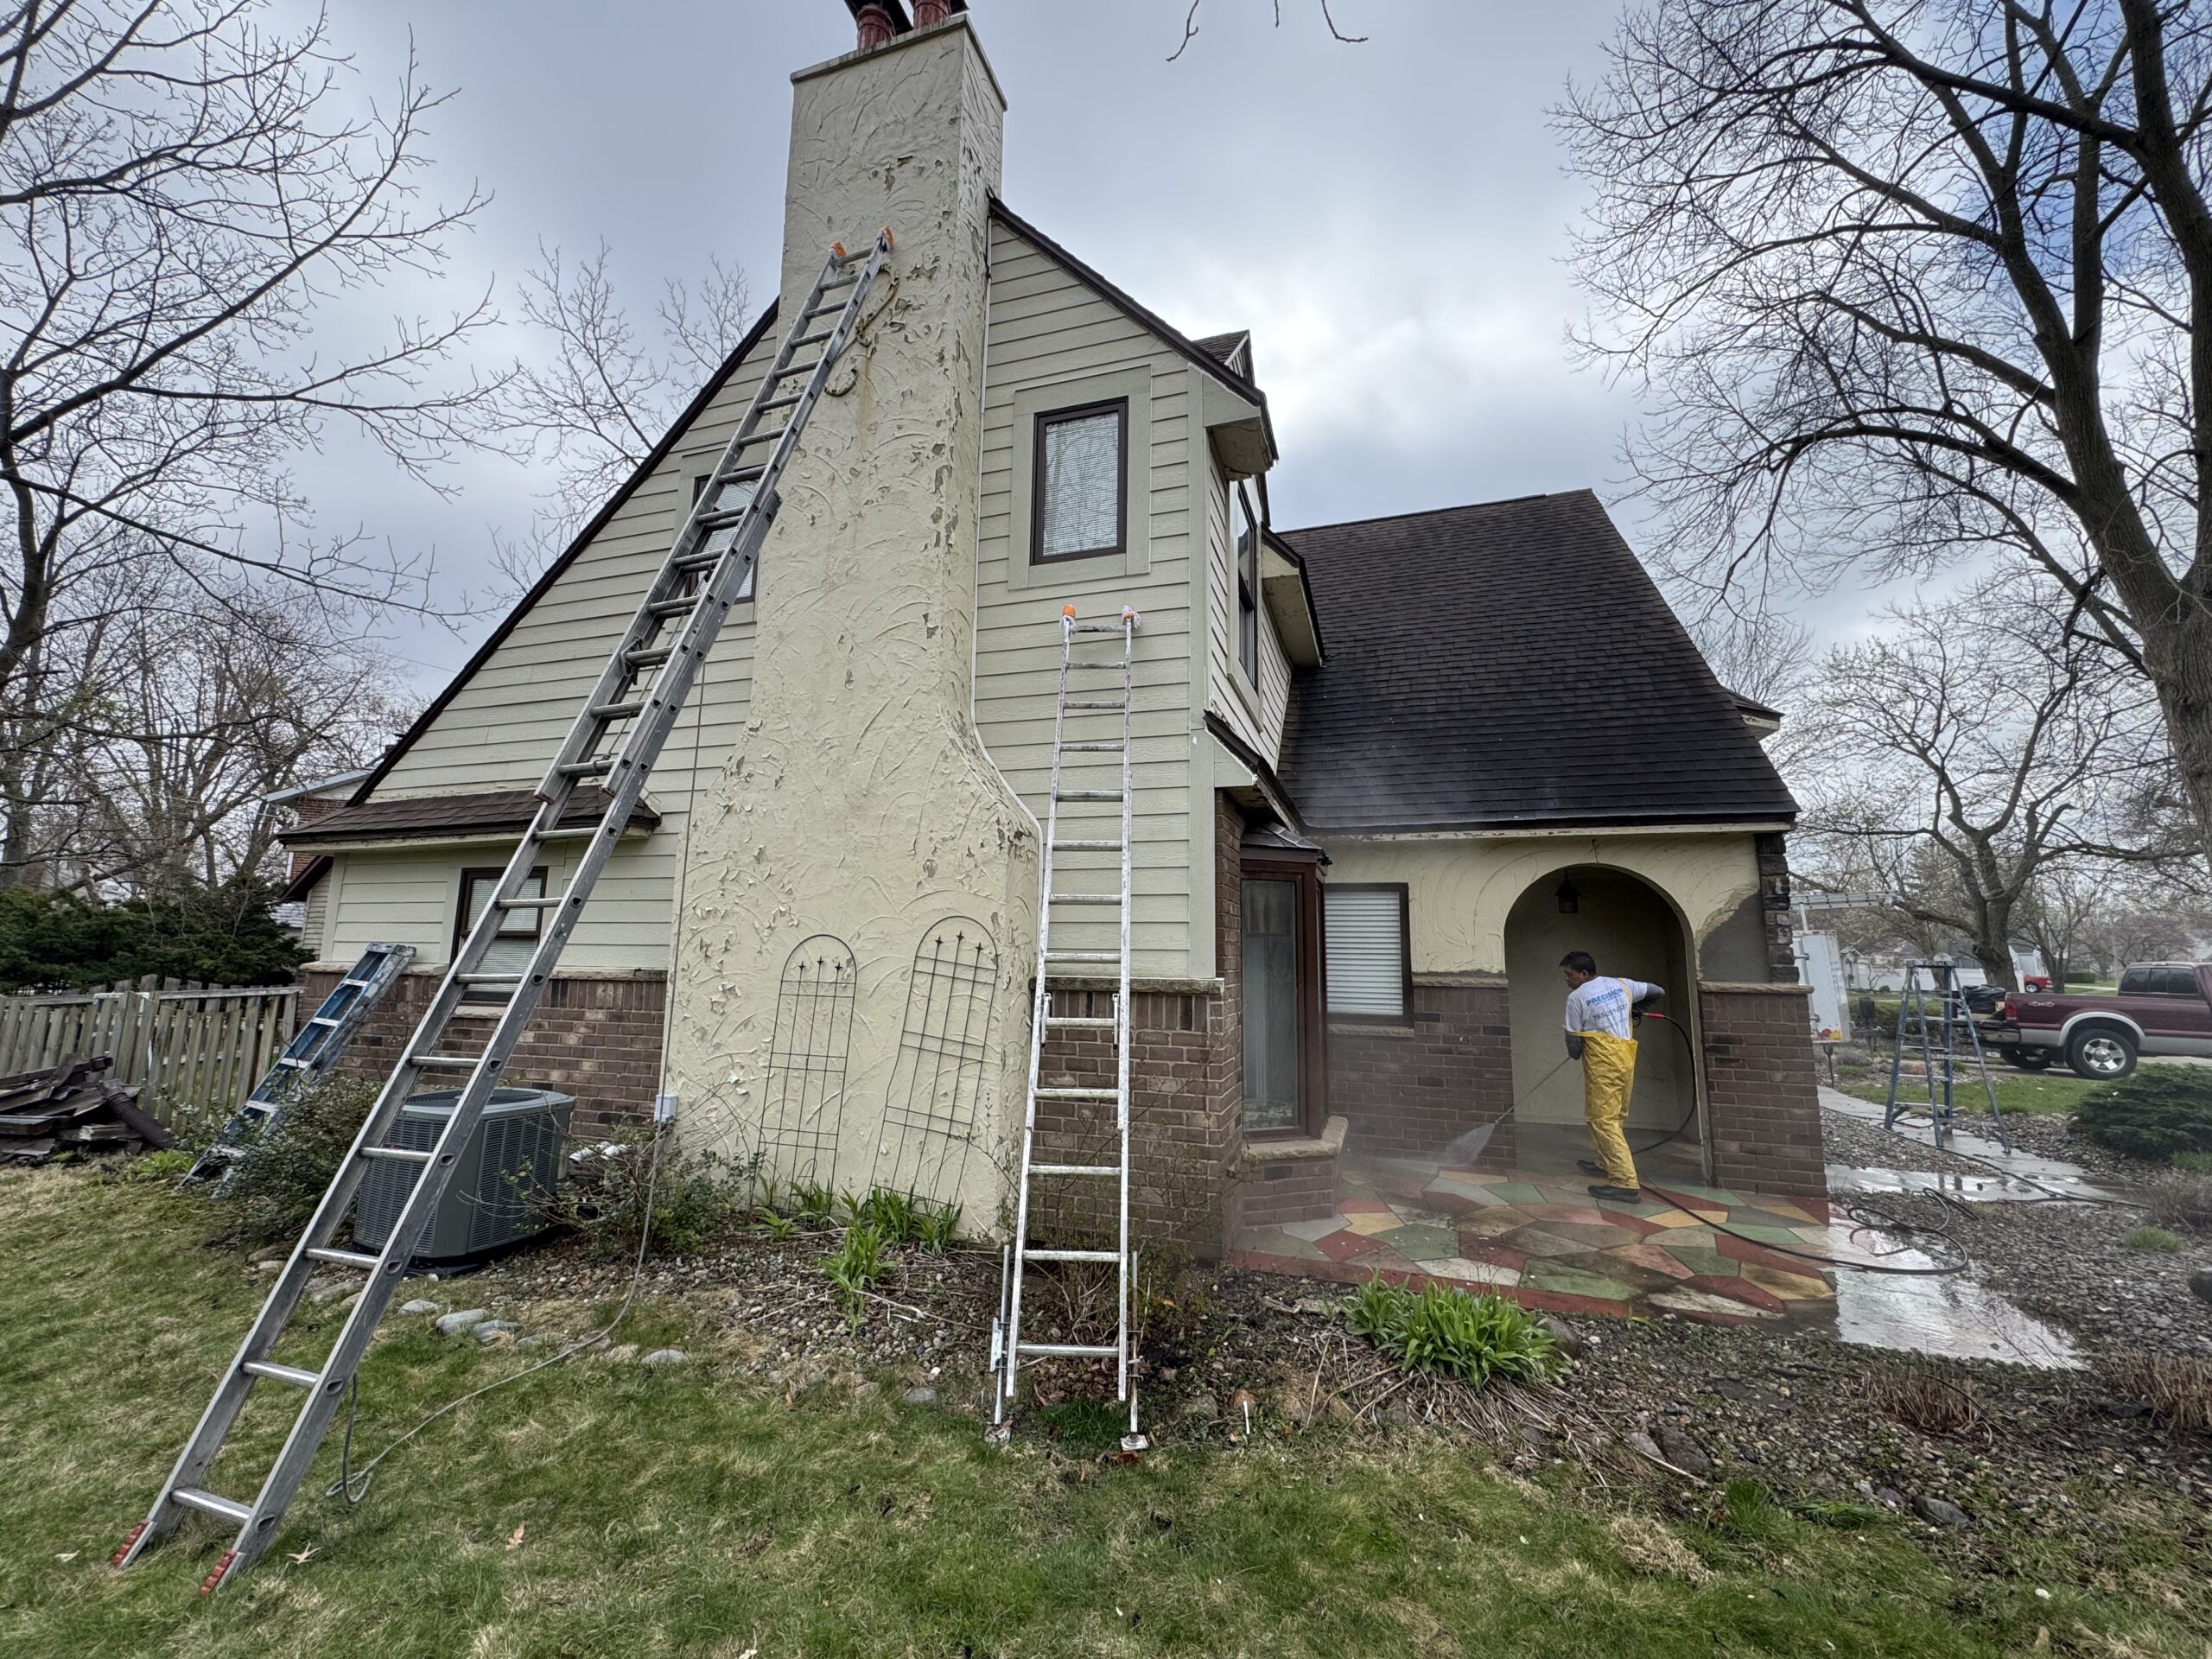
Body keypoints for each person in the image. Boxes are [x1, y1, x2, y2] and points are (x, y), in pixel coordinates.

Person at [1560, 950, 1663, 1202]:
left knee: (1602, 1119)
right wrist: (1634, 1009)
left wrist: (1575, 1053)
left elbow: (1573, 1044)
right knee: (1616, 1115)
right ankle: (1605, 1162)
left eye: (1569, 974)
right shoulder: (1621, 984)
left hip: (1603, 1064)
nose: (1567, 979)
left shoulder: (1576, 998)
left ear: (1584, 974)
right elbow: (1657, 991)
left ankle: (1624, 1182)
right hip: (1625, 1058)